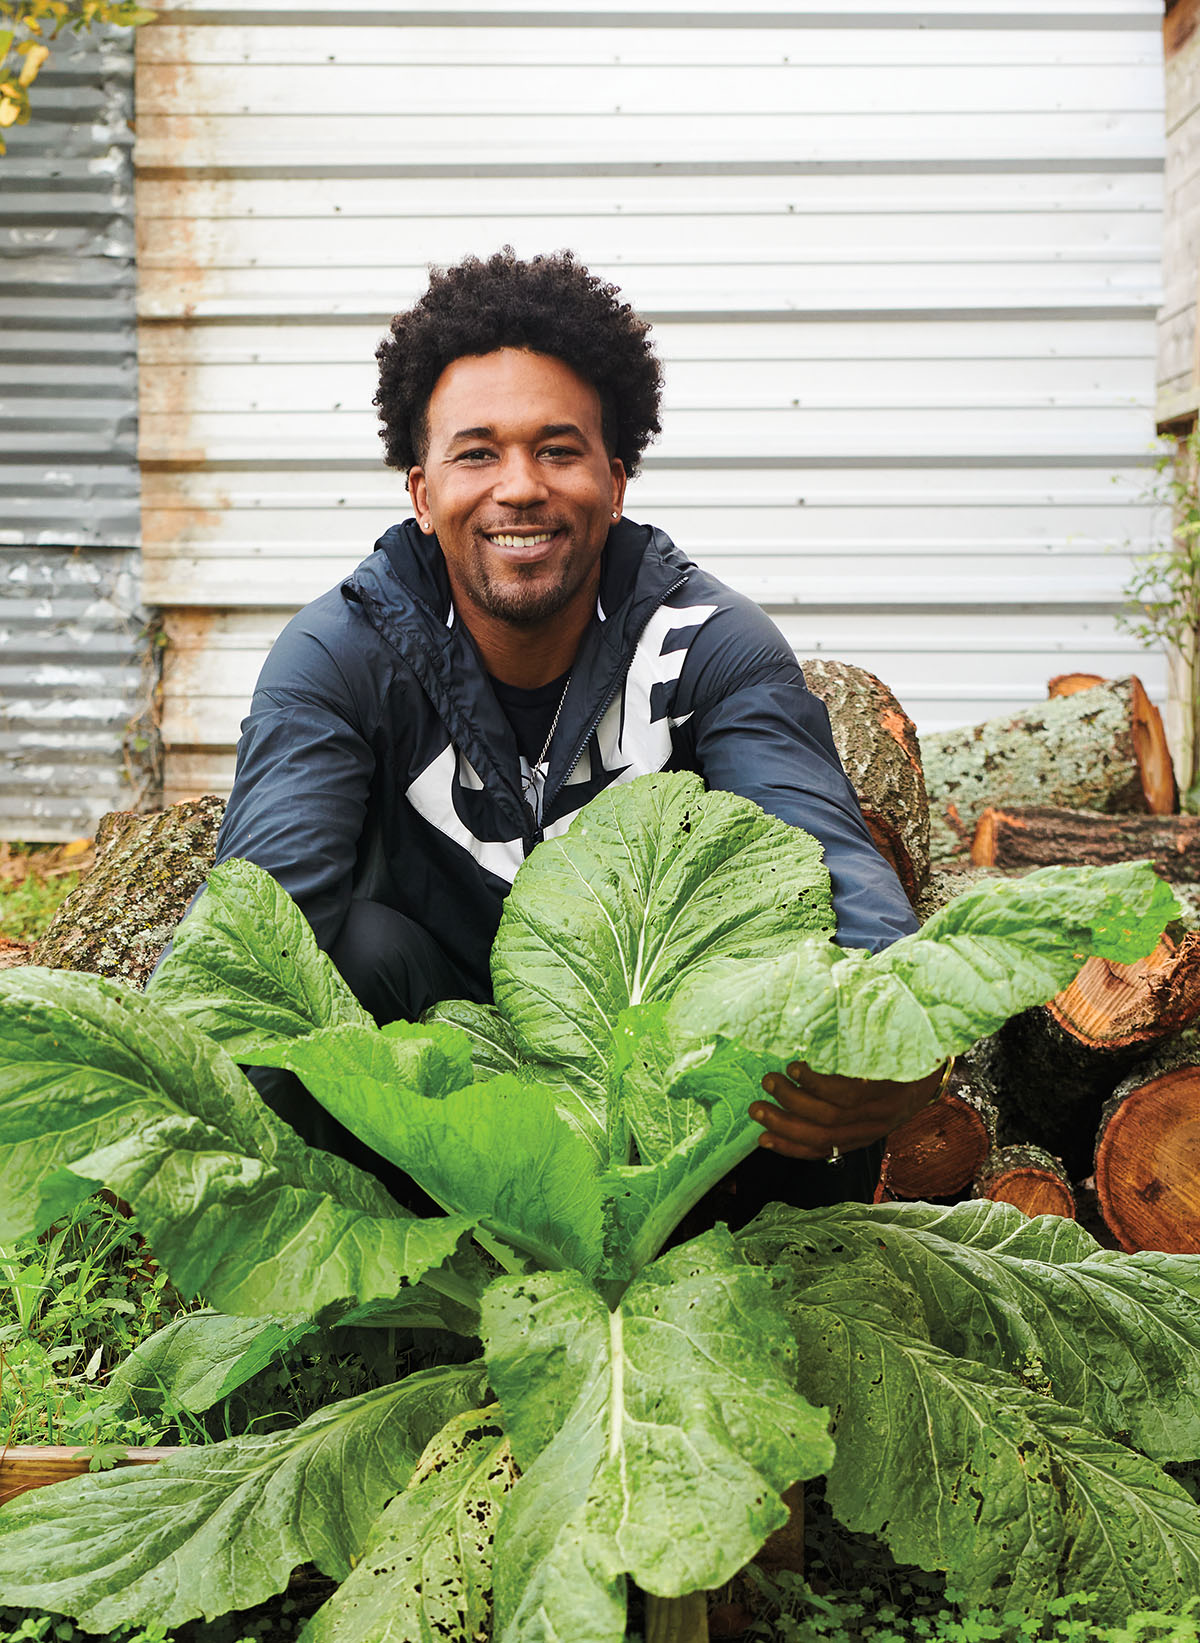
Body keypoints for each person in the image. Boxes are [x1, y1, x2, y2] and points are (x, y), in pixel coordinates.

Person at [213, 247, 943, 1216]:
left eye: (558, 448)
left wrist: (907, 1048)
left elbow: (833, 870)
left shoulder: (706, 645)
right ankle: (395, 1292)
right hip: (443, 1113)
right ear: (422, 491)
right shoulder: (342, 658)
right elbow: (254, 936)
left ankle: (741, 1291)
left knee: (801, 1000)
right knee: (344, 952)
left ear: (617, 476)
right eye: (477, 451)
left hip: (667, 1108)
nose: (519, 485)